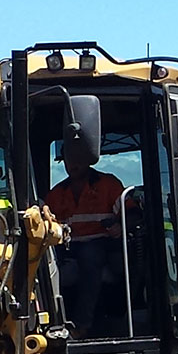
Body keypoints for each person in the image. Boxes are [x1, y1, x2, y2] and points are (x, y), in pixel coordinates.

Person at [47, 140, 125, 335]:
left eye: (77, 159)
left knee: (89, 255)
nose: (72, 164)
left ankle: (82, 325)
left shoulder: (109, 185)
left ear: (89, 160)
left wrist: (120, 226)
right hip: (67, 245)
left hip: (102, 243)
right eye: (68, 159)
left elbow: (132, 213)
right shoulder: (56, 195)